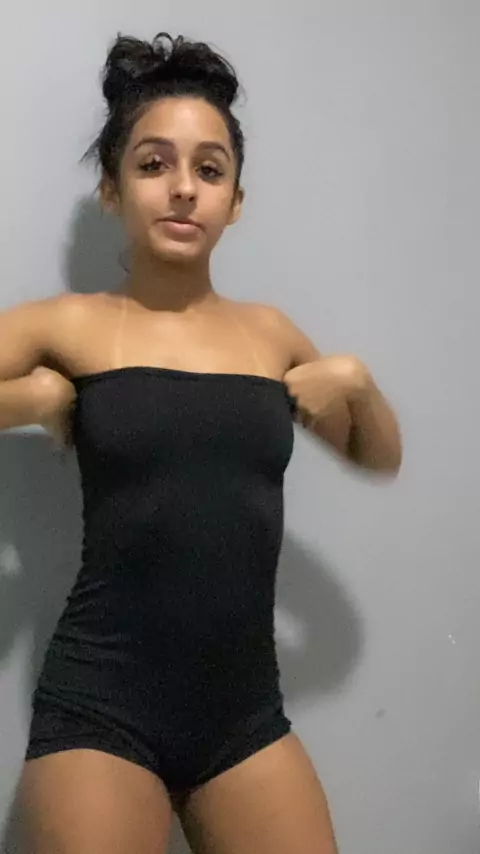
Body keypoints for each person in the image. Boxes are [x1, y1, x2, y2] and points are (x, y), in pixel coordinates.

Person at [0, 32, 402, 854]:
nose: (184, 188)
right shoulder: (69, 323)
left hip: (244, 716)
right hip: (101, 706)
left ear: (236, 200)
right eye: (154, 164)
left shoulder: (270, 334)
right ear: (111, 188)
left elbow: (377, 457)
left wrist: (357, 383)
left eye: (210, 171)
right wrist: (29, 399)